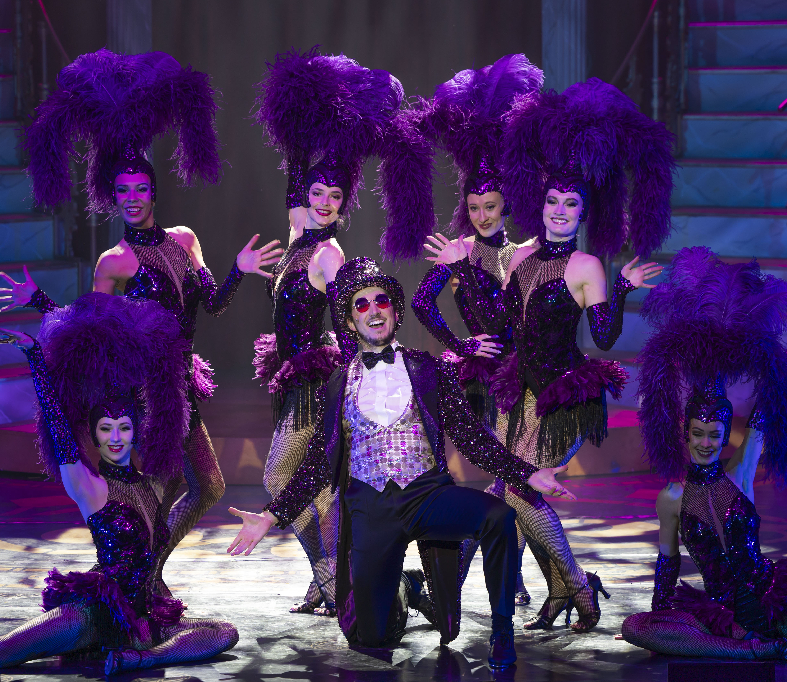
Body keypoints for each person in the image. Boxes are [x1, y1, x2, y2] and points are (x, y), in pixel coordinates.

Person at [226, 258, 576, 670]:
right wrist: (271, 516)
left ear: (395, 312)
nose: (373, 310)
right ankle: (406, 589)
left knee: (499, 516)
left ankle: (502, 632)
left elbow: (471, 437)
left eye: (381, 301)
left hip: (427, 495)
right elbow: (318, 462)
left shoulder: (430, 369)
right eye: (361, 305)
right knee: (372, 636)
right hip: (371, 508)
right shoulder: (336, 383)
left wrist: (527, 473)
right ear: (351, 321)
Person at [0, 49, 282, 535]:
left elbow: (213, 304)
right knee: (160, 490)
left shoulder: (185, 240)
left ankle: (151, 566)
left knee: (207, 487)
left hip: (181, 381)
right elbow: (92, 333)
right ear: (114, 195)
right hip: (146, 387)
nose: (131, 198)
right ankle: (144, 569)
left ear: (154, 193)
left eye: (140, 189)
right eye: (123, 190)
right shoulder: (115, 262)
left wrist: (238, 269)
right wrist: (41, 302)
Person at [0, 294, 238, 675]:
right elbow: (59, 427)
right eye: (106, 429)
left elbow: (174, 423)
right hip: (93, 614)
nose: (116, 438)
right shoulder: (89, 486)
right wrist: (35, 359)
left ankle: (143, 658)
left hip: (146, 617)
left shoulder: (152, 486)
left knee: (224, 632)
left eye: (123, 428)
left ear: (135, 432)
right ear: (94, 437)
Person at [449, 77, 676, 632]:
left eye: (570, 204)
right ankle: (557, 591)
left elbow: (603, 337)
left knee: (519, 489)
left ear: (582, 212)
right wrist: (462, 271)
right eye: (552, 200)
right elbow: (496, 323)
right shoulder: (519, 255)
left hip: (563, 396)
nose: (558, 211)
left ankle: (575, 585)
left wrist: (620, 288)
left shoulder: (587, 266)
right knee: (509, 489)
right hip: (517, 391)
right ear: (541, 203)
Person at [619, 247, 787, 661]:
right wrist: (662, 621)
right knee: (634, 627)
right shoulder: (672, 497)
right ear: (685, 434)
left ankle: (757, 644)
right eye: (697, 434)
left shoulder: (740, 471)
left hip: (772, 599)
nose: (705, 443)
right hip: (721, 615)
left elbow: (761, 415)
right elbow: (667, 564)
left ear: (725, 437)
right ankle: (750, 651)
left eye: (714, 435)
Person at [250, 48, 436, 615]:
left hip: (317, 378)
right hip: (291, 374)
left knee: (282, 477)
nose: (326, 203)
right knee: (319, 484)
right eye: (318, 195)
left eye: (335, 197)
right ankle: (331, 577)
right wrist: (299, 144)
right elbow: (296, 187)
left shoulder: (327, 254)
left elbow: (346, 318)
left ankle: (331, 573)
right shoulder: (298, 233)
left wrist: (365, 373)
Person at [410, 53, 543, 606]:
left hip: (526, 377)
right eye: (474, 206)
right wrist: (460, 343)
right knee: (506, 476)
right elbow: (420, 302)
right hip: (482, 379)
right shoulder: (460, 248)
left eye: (490, 206)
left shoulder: (524, 252)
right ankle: (491, 579)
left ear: (506, 204)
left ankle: (495, 579)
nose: (483, 215)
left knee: (516, 478)